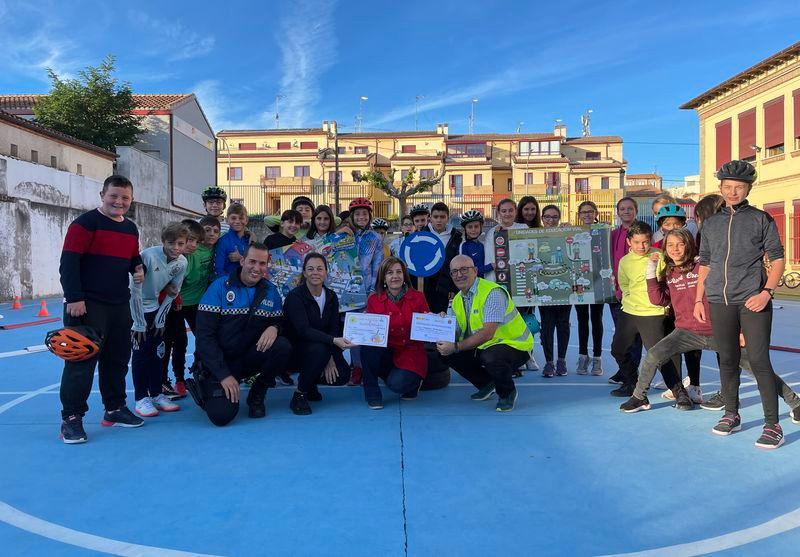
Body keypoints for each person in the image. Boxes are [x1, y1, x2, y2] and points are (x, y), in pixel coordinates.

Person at [619, 228, 800, 418]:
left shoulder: (704, 268)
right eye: (670, 245)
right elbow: (659, 300)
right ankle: (639, 397)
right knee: (654, 354)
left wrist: (740, 330)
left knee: (756, 366)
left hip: (719, 331)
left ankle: (795, 403)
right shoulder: (669, 272)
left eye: (680, 244)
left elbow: (729, 297)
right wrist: (650, 273)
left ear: (689, 246)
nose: (675, 249)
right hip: (686, 332)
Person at [695, 160, 786, 449]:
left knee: (759, 361)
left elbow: (778, 258)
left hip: (753, 300)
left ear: (748, 188)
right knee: (728, 359)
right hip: (719, 301)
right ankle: (731, 413)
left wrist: (767, 292)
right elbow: (706, 263)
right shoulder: (711, 223)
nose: (732, 192)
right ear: (721, 188)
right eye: (727, 187)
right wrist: (699, 297)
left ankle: (773, 424)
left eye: (738, 187)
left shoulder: (761, 219)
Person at [57, 174, 146, 443]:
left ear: (130, 201)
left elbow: (132, 255)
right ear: (102, 195)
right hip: (87, 304)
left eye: (125, 198)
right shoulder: (84, 224)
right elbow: (69, 263)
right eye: (114, 196)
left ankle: (115, 408)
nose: (119, 201)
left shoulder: (130, 228)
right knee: (81, 362)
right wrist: (74, 297)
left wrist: (138, 267)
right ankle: (71, 419)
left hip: (119, 304)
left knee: (117, 361)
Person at [190, 243, 292, 426]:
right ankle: (208, 387)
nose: (257, 268)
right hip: (220, 362)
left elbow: (280, 321)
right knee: (221, 417)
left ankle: (257, 393)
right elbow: (204, 337)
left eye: (262, 263)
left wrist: (274, 327)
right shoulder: (218, 287)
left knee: (282, 346)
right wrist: (223, 375)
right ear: (242, 261)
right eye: (252, 261)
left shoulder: (270, 291)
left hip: (247, 358)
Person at [437, 255, 533, 412]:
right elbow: (456, 334)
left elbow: (488, 333)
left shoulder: (491, 292)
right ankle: (487, 383)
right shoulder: (457, 300)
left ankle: (507, 392)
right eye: (454, 271)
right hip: (486, 346)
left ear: (475, 271)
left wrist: (456, 346)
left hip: (515, 345)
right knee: (444, 352)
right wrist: (440, 324)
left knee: (490, 357)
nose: (459, 275)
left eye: (463, 269)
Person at [609, 221, 682, 398]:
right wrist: (630, 298)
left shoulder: (660, 256)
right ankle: (631, 383)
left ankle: (680, 393)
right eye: (636, 242)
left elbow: (668, 281)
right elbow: (624, 284)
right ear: (629, 242)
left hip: (653, 314)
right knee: (618, 349)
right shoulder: (625, 261)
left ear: (651, 240)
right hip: (630, 312)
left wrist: (662, 303)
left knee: (659, 356)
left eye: (645, 242)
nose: (641, 246)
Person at [283, 253, 356, 414]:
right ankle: (299, 394)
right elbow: (303, 330)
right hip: (296, 351)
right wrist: (331, 342)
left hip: (322, 347)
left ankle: (310, 383)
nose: (315, 272)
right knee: (319, 350)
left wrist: (329, 357)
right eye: (310, 269)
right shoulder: (295, 297)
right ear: (304, 272)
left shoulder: (331, 296)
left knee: (342, 375)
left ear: (326, 272)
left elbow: (333, 329)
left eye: (319, 269)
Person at [129, 222, 188, 417]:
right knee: (140, 353)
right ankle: (140, 398)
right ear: (163, 241)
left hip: (156, 307)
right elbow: (134, 290)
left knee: (158, 352)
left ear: (186, 244)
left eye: (180, 244)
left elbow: (173, 292)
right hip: (135, 308)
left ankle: (156, 393)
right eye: (171, 242)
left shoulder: (182, 263)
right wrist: (138, 322)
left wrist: (161, 318)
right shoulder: (148, 256)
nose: (175, 248)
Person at [360, 257, 431, 409]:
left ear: (404, 275)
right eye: (390, 272)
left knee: (397, 385)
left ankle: (413, 384)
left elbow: (428, 328)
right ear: (383, 277)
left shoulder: (418, 297)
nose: (395, 276)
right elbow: (369, 334)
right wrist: (362, 327)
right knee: (367, 346)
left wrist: (438, 320)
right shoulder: (374, 300)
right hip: (386, 351)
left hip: (410, 353)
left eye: (399, 272)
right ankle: (372, 394)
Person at [162, 219, 206, 399]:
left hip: (194, 304)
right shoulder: (168, 258)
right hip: (173, 306)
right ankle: (163, 380)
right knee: (168, 343)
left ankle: (183, 378)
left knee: (192, 342)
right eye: (189, 240)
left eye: (197, 241)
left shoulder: (200, 255)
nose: (193, 245)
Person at [608, 196, 643, 385]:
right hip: (616, 292)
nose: (626, 212)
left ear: (635, 211)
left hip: (636, 293)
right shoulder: (613, 234)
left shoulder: (642, 233)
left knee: (635, 335)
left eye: (630, 208)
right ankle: (625, 370)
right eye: (622, 209)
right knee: (621, 335)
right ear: (618, 212)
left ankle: (632, 373)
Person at [538, 205, 572, 377]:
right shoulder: (536, 235)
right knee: (547, 326)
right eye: (547, 217)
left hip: (564, 288)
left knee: (563, 325)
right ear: (542, 218)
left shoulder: (565, 234)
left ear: (559, 219)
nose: (550, 220)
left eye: (554, 217)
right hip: (544, 289)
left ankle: (562, 361)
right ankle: (549, 362)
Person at [574, 201, 605, 376]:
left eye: (590, 212)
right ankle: (583, 356)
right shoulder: (573, 232)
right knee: (582, 319)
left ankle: (597, 358)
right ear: (579, 215)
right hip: (578, 282)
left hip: (598, 281)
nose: (587, 215)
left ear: (595, 213)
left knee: (596, 319)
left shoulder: (602, 231)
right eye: (584, 212)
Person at [424, 202, 463, 314]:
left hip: (445, 286)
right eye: (436, 217)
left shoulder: (456, 238)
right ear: (430, 218)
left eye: (442, 217)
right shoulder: (421, 234)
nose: (439, 220)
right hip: (425, 285)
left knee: (442, 319)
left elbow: (457, 264)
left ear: (447, 218)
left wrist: (453, 287)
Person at [483, 198, 527, 283]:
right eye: (504, 211)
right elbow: (490, 259)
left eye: (510, 210)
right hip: (501, 278)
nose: (507, 214)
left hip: (520, 274)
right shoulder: (493, 233)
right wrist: (491, 284)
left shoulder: (523, 228)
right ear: (499, 213)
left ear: (516, 211)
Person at [214, 202, 253, 279]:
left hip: (248, 283)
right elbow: (219, 269)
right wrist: (228, 284)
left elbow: (255, 265)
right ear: (227, 220)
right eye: (233, 218)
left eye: (241, 218)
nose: (237, 221)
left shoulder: (250, 240)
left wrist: (240, 259)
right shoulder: (223, 241)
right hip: (230, 284)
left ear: (246, 220)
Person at [458, 210, 492, 278]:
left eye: (476, 226)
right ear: (465, 229)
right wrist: (491, 266)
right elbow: (466, 271)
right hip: (470, 285)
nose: (473, 229)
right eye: (470, 227)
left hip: (484, 283)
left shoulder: (481, 245)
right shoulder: (463, 246)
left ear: (481, 227)